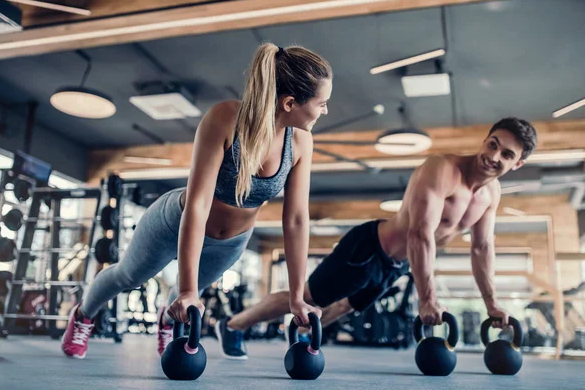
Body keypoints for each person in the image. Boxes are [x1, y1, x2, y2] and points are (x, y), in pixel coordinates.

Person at [61, 43, 333, 359]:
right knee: (128, 277)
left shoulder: (300, 142)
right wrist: (187, 289)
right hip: (174, 221)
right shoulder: (225, 118)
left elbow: (296, 219)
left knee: (188, 297)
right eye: (322, 103)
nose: (325, 110)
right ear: (289, 102)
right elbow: (198, 204)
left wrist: (296, 297)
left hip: (230, 243)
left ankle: (167, 319)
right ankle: (83, 315)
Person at [218, 117, 537, 358]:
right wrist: (428, 298)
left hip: (396, 265)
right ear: (486, 139)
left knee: (346, 306)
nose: (494, 156)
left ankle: (302, 331)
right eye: (493, 143)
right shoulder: (443, 169)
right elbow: (420, 233)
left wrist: (492, 304)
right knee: (305, 299)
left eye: (506, 154)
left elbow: (482, 248)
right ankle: (234, 325)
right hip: (370, 248)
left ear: (518, 164)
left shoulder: (491, 195)